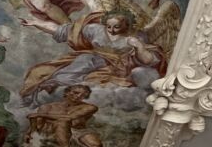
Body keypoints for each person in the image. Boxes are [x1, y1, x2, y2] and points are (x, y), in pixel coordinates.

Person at [18, 9, 166, 101]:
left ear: (126, 25)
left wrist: (139, 46)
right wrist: (36, 23)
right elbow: (63, 31)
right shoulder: (95, 29)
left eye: (116, 27)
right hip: (93, 57)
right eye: (108, 26)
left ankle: (62, 88)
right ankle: (55, 83)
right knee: (83, 60)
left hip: (116, 66)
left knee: (91, 72)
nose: (111, 30)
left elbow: (149, 60)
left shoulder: (136, 36)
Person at [26, 85, 104, 147]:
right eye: (76, 93)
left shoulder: (90, 107)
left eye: (83, 95)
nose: (79, 96)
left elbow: (69, 117)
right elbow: (38, 124)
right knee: (61, 123)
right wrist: (30, 132)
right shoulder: (47, 107)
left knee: (96, 145)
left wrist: (41, 115)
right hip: (53, 130)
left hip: (77, 130)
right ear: (67, 92)